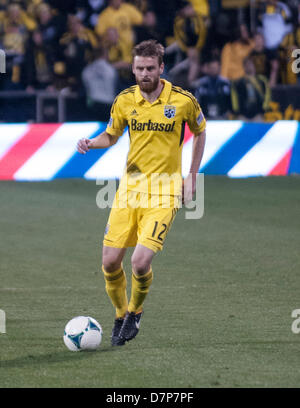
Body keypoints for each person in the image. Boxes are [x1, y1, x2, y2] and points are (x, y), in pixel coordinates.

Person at [76, 39, 206, 346]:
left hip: (165, 192)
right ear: (133, 69)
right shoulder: (125, 100)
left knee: (140, 262)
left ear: (161, 68)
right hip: (129, 191)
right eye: (139, 68)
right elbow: (111, 134)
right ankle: (121, 313)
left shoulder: (183, 101)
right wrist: (91, 143)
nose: (144, 73)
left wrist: (192, 177)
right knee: (109, 262)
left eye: (150, 68)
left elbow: (201, 131)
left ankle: (136, 310)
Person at [231, 56, 271, 121]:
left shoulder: (261, 80)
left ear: (254, 65)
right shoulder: (238, 81)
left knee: (258, 130)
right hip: (243, 114)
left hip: (258, 113)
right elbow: (234, 96)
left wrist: (264, 109)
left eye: (250, 64)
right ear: (243, 67)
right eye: (246, 65)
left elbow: (267, 95)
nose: (248, 67)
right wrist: (236, 111)